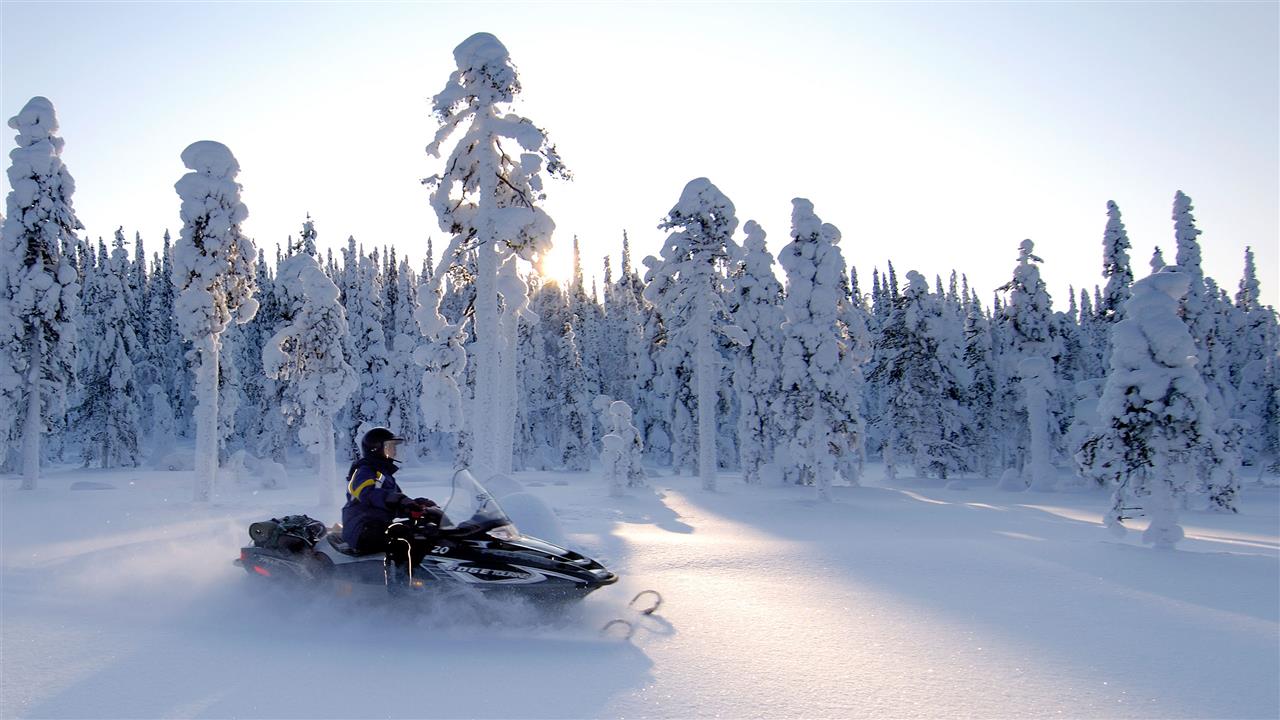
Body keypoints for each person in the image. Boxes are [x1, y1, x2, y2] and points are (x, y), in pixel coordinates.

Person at [341, 427, 440, 563]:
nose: (394, 451)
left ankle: (428, 575)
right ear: (376, 449)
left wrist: (418, 504)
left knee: (425, 532)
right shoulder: (364, 471)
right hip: (362, 528)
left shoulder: (384, 475)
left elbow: (395, 501)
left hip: (377, 524)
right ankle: (400, 582)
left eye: (394, 447)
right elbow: (367, 494)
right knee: (403, 539)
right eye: (389, 447)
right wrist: (400, 500)